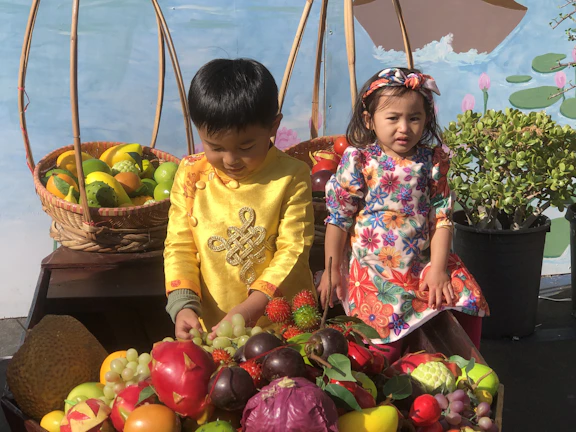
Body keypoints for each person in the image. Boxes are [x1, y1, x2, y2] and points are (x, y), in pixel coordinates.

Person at [317, 67, 489, 358]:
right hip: (375, 271)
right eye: (393, 118)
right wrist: (332, 270)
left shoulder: (432, 161)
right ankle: (388, 380)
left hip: (424, 261)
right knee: (383, 345)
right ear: (369, 120)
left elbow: (442, 218)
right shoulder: (359, 160)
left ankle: (465, 367)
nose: (404, 128)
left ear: (426, 120)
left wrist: (437, 269)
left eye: (414, 118)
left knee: (468, 300)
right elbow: (339, 218)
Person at [164, 58, 315, 340]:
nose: (231, 159)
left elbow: (293, 250)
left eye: (246, 146)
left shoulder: (291, 176)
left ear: (274, 126)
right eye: (215, 147)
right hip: (212, 326)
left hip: (280, 326)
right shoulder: (190, 174)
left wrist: (252, 307)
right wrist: (183, 305)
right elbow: (179, 246)